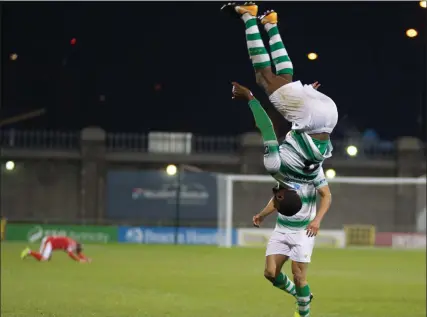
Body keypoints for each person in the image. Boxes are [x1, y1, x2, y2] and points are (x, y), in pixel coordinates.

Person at [231, 82, 333, 317]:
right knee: (270, 273)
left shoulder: (313, 169)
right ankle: (303, 295)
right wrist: (262, 214)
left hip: (303, 231)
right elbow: (279, 199)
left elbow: (327, 195)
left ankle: (303, 312)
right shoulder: (280, 168)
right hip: (283, 228)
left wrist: (317, 220)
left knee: (299, 276)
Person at [20, 236, 91, 263]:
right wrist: (79, 260)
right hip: (49, 242)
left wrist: (86, 259)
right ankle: (29, 251)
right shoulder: (71, 245)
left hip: (49, 242)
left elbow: (78, 253)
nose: (79, 251)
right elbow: (71, 254)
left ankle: (28, 252)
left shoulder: (73, 244)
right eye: (79, 249)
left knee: (42, 258)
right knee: (44, 259)